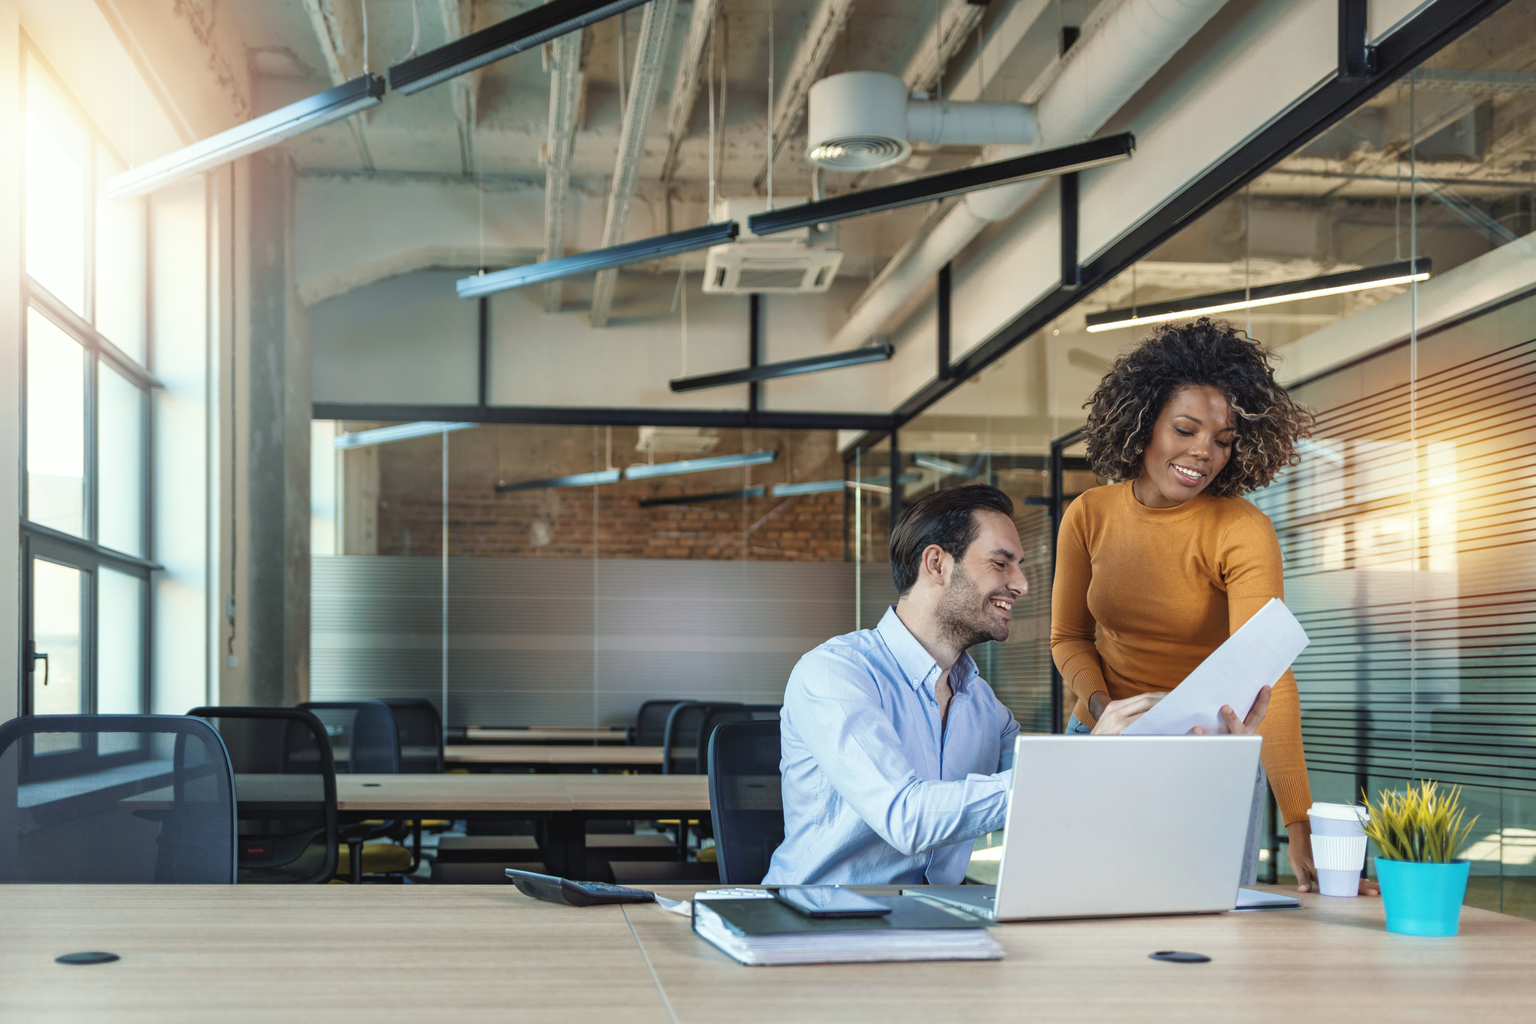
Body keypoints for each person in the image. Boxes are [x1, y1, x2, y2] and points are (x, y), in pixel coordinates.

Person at [764, 483, 1267, 886]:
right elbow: (906, 818)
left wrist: (1201, 752)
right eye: (1000, 563)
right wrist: (1089, 757)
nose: (1022, 585)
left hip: (935, 925)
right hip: (817, 927)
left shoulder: (984, 708)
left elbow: (1066, 808)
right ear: (936, 564)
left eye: (1019, 567)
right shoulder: (834, 674)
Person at [1051, 317, 1375, 895]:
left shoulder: (1241, 529)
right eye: (1185, 429)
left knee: (1211, 916)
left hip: (1208, 749)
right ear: (1142, 423)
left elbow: (1267, 672)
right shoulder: (1089, 515)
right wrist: (1106, 713)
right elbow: (1068, 638)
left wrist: (1299, 822)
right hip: (1102, 737)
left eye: (1223, 440)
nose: (1204, 452)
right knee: (1085, 902)